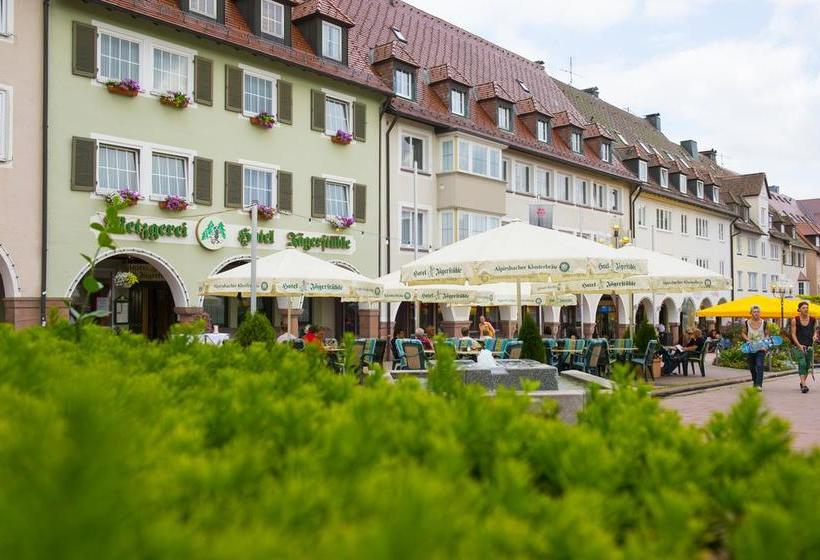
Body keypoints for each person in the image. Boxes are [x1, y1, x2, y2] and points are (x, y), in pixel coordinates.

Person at [790, 301, 819, 394]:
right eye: (803, 308)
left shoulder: (813, 319)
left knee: (807, 365)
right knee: (802, 363)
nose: (806, 309)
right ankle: (804, 385)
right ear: (799, 309)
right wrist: (799, 345)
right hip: (799, 346)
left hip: (809, 346)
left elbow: (815, 330)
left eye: (807, 307)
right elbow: (793, 334)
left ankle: (802, 382)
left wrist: (815, 335)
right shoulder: (795, 320)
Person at [742, 305, 768, 391]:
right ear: (751, 313)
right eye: (754, 311)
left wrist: (765, 343)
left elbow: (767, 334)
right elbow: (743, 333)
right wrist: (747, 339)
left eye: (758, 312)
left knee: (760, 365)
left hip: (761, 348)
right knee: (752, 366)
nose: (756, 313)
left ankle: (759, 385)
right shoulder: (746, 323)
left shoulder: (764, 323)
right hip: (750, 347)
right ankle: (755, 381)